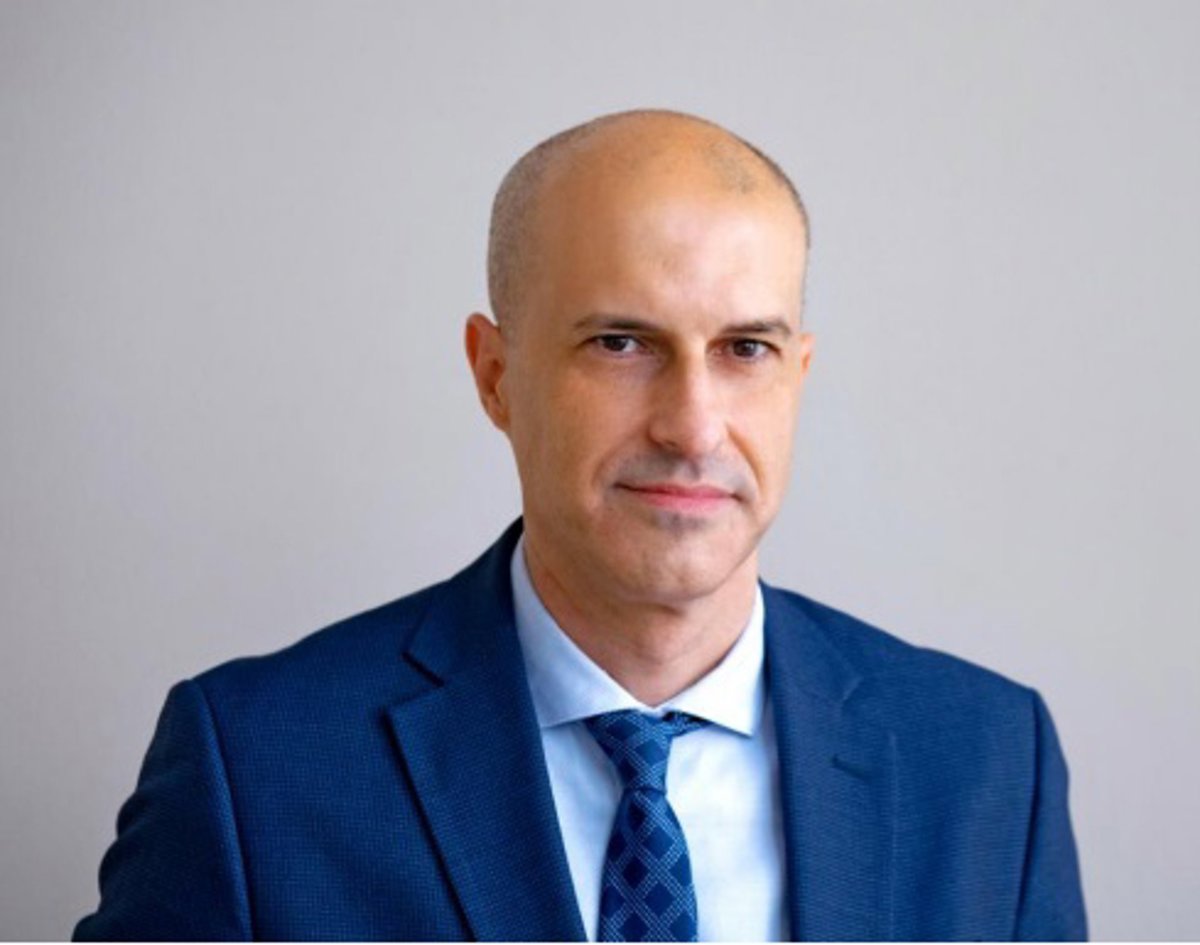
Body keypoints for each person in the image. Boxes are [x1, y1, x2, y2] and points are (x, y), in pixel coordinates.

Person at [74, 109, 1087, 942]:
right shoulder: (256, 766)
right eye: (620, 343)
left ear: (799, 376)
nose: (694, 426)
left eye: (745, 349)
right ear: (495, 375)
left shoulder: (988, 764)